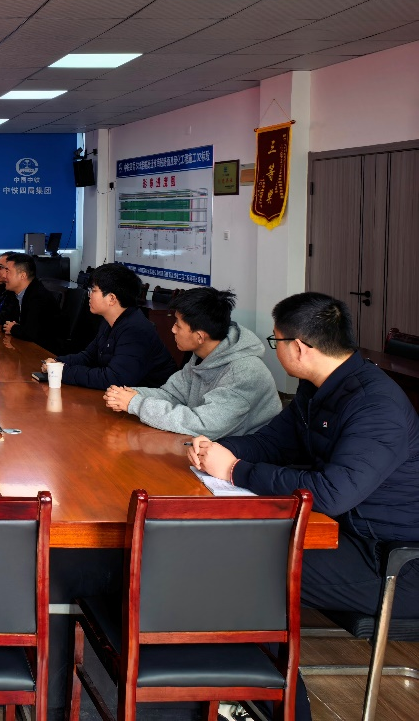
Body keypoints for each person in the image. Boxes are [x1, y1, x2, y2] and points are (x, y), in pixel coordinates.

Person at [189, 292, 418, 721]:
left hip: (395, 563)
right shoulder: (319, 389)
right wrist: (214, 450)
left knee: (250, 565)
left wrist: (235, 471)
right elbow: (273, 443)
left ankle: (278, 709)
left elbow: (331, 493)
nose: (274, 349)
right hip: (345, 534)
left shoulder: (376, 405)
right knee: (230, 544)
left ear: (299, 347)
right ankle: (241, 689)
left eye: (275, 341)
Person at [103, 287, 279, 437]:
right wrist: (132, 394)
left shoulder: (244, 373)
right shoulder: (203, 355)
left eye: (178, 325)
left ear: (200, 336)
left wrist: (136, 403)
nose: (172, 329)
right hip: (207, 446)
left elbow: (203, 424)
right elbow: (173, 395)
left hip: (244, 455)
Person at [44, 263, 176, 390]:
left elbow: (114, 379)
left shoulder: (135, 330)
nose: (89, 295)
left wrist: (63, 372)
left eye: (93, 290)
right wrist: (57, 362)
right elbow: (89, 357)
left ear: (112, 298)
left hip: (151, 399)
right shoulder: (110, 321)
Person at [0, 252, 59, 349]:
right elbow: (6, 322)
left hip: (45, 351)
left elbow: (31, 333)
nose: (4, 276)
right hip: (24, 345)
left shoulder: (38, 296)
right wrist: (13, 327)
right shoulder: (17, 294)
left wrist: (14, 328)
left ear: (22, 275)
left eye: (7, 271)